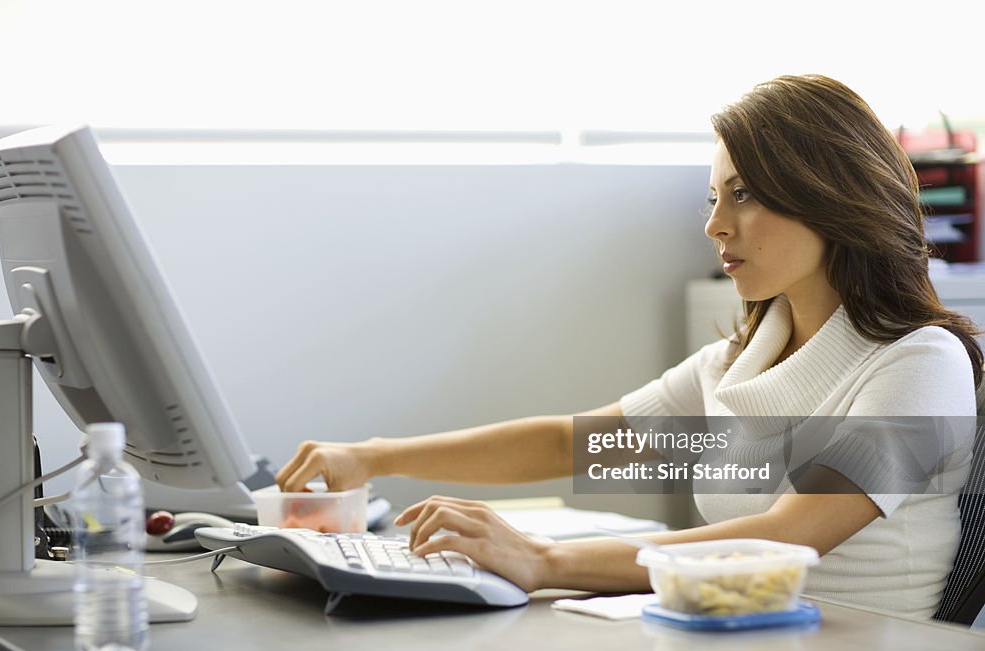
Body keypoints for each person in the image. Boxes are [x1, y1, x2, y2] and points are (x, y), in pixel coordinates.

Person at [276, 74, 982, 619]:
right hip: (738, 649)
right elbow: (569, 446)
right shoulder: (740, 365)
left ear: (827, 192)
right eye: (712, 197)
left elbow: (786, 539)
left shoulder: (918, 363)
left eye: (742, 195)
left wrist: (544, 560)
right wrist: (372, 456)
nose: (714, 225)